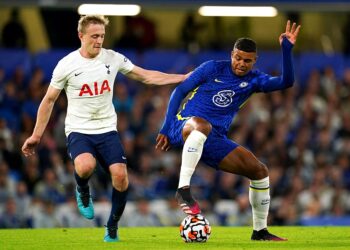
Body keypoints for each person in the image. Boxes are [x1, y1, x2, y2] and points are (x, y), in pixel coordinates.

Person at [21, 15, 187, 242]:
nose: (99, 41)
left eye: (102, 36)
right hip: (79, 129)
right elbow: (49, 100)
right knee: (86, 165)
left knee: (120, 176)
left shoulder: (113, 58)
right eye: (94, 36)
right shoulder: (67, 65)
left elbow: (146, 76)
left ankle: (112, 227)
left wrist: (183, 78)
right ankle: (82, 188)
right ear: (81, 36)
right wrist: (36, 135)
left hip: (107, 129)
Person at [156, 20, 301, 241]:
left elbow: (286, 82)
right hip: (184, 124)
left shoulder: (254, 80)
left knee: (259, 171)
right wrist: (166, 127)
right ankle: (183, 189)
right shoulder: (212, 67)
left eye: (247, 60)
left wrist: (286, 50)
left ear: (255, 61)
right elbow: (180, 91)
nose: (241, 63)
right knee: (202, 125)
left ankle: (260, 231)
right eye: (238, 58)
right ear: (231, 54)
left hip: (214, 137)